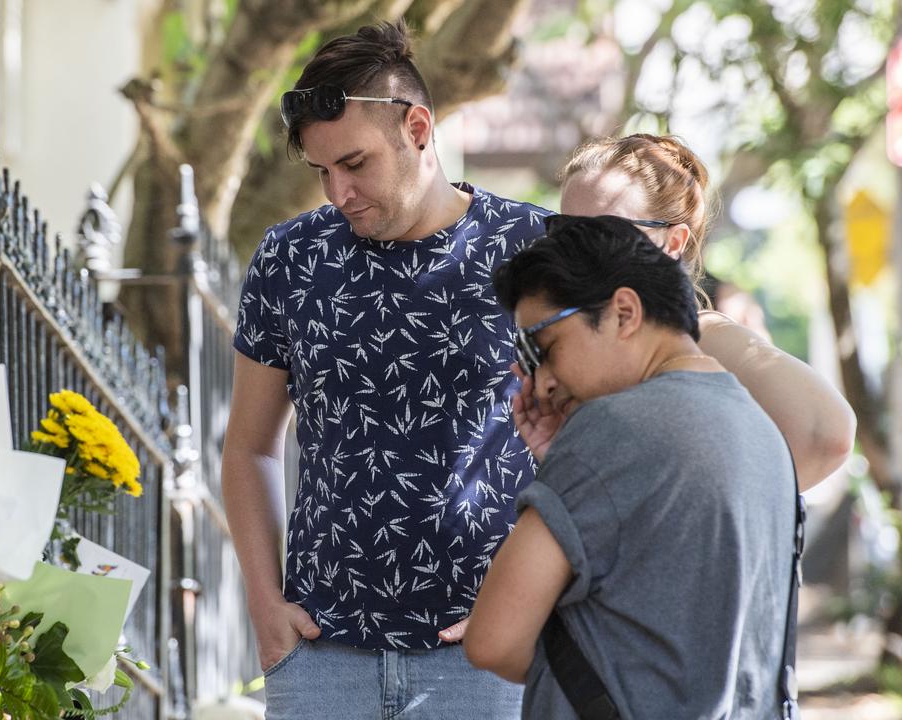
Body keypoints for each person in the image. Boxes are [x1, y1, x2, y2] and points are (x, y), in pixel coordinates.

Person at [223, 20, 544, 718]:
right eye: (322, 171)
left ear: (419, 128)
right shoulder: (289, 259)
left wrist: (543, 597)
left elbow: (596, 442)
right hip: (319, 657)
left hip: (488, 656)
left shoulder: (534, 251)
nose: (338, 191)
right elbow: (249, 447)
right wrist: (264, 607)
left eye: (356, 163)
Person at [464, 214, 797, 718]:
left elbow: (493, 640)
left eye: (544, 348)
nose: (542, 382)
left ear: (623, 312)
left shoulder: (612, 430)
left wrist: (575, 460)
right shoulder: (762, 430)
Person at [555, 133, 854, 490]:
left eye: (605, 232)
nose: (577, 251)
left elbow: (827, 434)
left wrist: (709, 515)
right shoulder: (563, 333)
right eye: (562, 231)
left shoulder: (701, 336)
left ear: (673, 243)